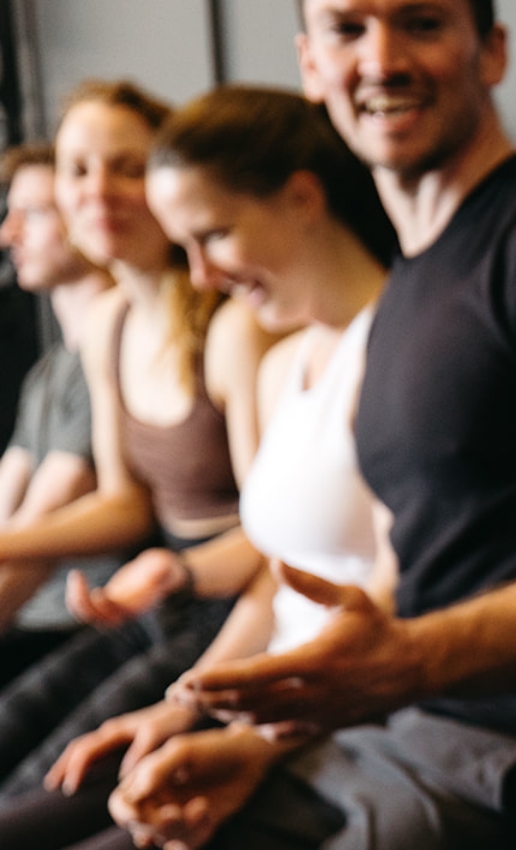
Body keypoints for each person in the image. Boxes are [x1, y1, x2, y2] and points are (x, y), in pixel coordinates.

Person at [167, 2, 516, 847]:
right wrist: (252, 742)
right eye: (349, 29)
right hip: (405, 732)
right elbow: (409, 574)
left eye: (420, 21)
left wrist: (410, 663)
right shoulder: (406, 284)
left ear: (490, 51)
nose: (381, 59)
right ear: (311, 66)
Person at [0, 84, 398, 850]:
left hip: (265, 658)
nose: (206, 275)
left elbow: (334, 577)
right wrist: (188, 690)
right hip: (201, 614)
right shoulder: (279, 357)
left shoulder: (251, 338)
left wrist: (218, 706)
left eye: (124, 168)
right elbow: (266, 564)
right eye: (77, 170)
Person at [0, 80, 274, 798]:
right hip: (151, 599)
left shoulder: (230, 327)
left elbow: (279, 533)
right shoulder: (111, 322)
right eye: (78, 170)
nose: (99, 191)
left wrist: (176, 572)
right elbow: (126, 501)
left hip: (232, 603)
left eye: (128, 167)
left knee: (39, 788)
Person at [0, 144, 119, 683]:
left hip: (81, 628)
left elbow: (34, 541)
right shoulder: (49, 372)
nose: (9, 233)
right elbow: (6, 512)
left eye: (34, 213)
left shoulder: (112, 354)